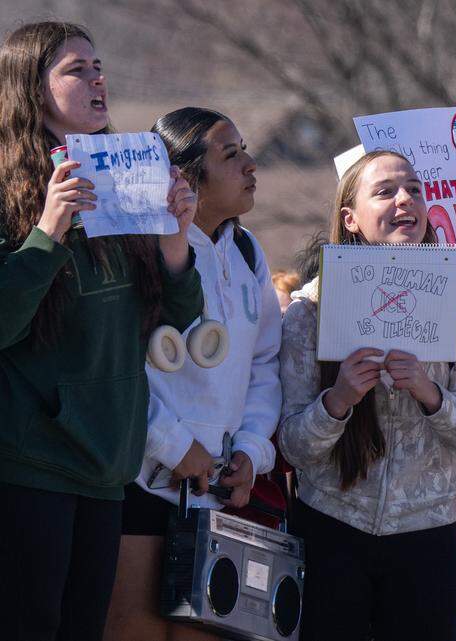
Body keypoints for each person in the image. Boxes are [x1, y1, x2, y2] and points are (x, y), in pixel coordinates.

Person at [0, 21, 202, 641]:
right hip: (31, 463)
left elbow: (173, 320)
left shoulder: (128, 177)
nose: (97, 77)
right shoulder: (8, 195)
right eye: (75, 69)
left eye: (98, 65)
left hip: (109, 463)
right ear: (30, 90)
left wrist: (174, 235)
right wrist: (46, 232)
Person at [278, 150, 456, 641]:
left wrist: (430, 394)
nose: (405, 200)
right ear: (350, 218)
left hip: (430, 536)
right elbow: (292, 447)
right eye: (385, 191)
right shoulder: (307, 313)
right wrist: (336, 402)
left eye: (414, 190)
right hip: (332, 531)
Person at [102, 107, 282, 641]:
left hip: (216, 496)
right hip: (140, 483)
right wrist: (175, 446)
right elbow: (118, 366)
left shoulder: (248, 253)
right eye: (232, 155)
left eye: (245, 150)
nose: (252, 165)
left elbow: (265, 365)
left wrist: (252, 449)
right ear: (184, 176)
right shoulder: (143, 250)